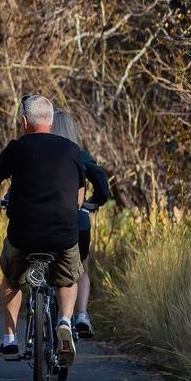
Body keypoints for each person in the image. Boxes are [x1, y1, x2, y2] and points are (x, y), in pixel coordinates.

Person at [0, 94, 85, 364]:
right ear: (50, 120)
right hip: (62, 233)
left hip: (24, 234)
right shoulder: (71, 150)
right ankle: (64, 320)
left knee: (11, 277)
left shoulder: (17, 148)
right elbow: (80, 198)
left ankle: (10, 339)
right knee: (68, 278)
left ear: (25, 121)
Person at [51, 109, 111, 339]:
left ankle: (50, 310)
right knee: (81, 269)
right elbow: (102, 185)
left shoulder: (41, 154)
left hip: (45, 222)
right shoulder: (79, 154)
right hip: (78, 223)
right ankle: (82, 314)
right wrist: (93, 202)